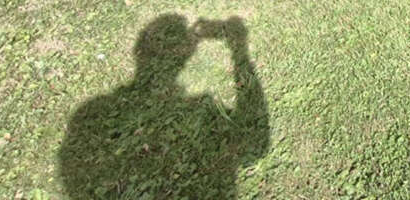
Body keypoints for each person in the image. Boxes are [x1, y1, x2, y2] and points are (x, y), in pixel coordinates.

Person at [57, 14, 269, 198]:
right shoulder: (199, 114)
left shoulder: (95, 111)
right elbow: (255, 144)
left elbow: (75, 174)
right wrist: (239, 48)